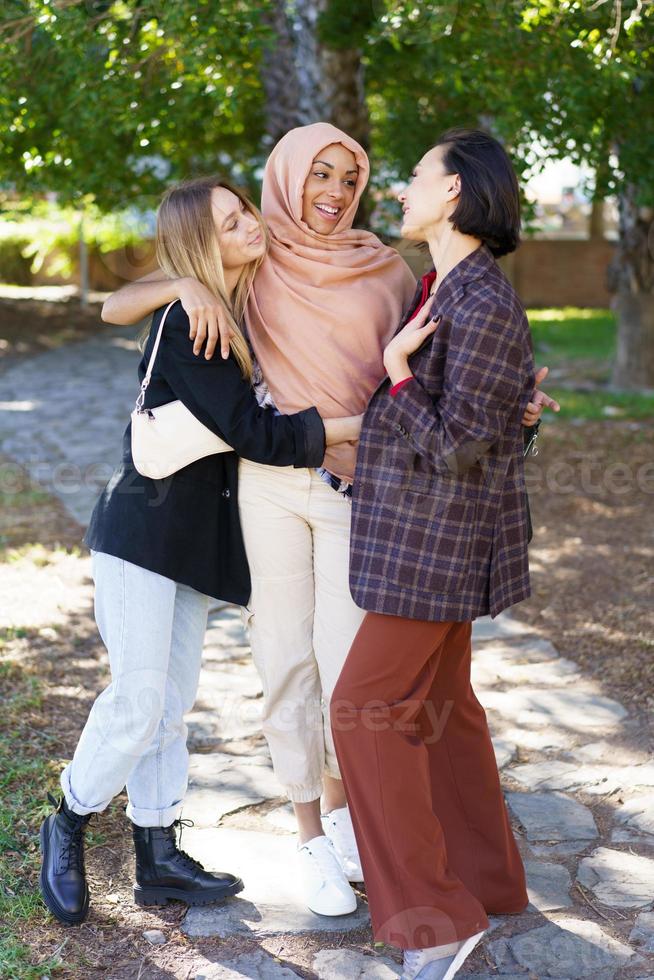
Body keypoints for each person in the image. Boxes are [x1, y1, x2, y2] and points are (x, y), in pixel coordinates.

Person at [102, 123, 556, 917]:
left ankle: (348, 821)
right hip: (270, 484)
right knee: (284, 662)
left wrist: (515, 414)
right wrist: (190, 286)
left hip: (363, 490)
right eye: (321, 174)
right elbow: (118, 302)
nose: (337, 192)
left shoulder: (390, 269)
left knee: (351, 675)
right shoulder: (253, 253)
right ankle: (309, 835)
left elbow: (445, 382)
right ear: (285, 179)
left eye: (351, 176)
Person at [38, 175, 361, 926]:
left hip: (191, 543)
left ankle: (159, 856)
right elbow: (260, 438)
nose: (248, 222)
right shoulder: (194, 323)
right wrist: (359, 427)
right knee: (141, 695)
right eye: (228, 222)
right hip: (141, 535)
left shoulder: (237, 302)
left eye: (245, 209)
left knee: (170, 705)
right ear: (200, 243)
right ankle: (67, 815)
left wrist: (193, 279)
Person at [331, 129, 536, 980]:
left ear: (454, 192)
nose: (403, 188)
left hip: (437, 549)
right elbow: (496, 428)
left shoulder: (479, 298)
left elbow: (459, 446)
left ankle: (436, 919)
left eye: (417, 176)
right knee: (442, 712)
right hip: (424, 539)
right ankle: (485, 885)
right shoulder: (443, 286)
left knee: (363, 712)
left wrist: (398, 373)